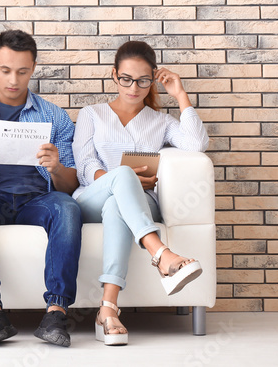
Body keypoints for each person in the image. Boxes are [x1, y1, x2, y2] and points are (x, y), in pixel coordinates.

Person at [71, 40, 208, 346]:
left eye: (143, 80)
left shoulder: (161, 121)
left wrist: (180, 95)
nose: (134, 87)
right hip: (92, 195)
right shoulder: (92, 113)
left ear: (154, 78)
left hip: (138, 205)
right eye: (126, 79)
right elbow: (84, 165)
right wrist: (120, 179)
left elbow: (197, 145)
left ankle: (107, 309)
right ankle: (161, 253)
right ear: (114, 75)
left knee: (118, 207)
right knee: (120, 179)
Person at [0, 29, 82, 348]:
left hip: (37, 199)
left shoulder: (54, 117)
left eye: (22, 72)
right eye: (6, 70)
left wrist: (57, 167)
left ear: (33, 69)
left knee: (68, 208)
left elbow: (70, 186)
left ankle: (56, 312)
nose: (13, 80)